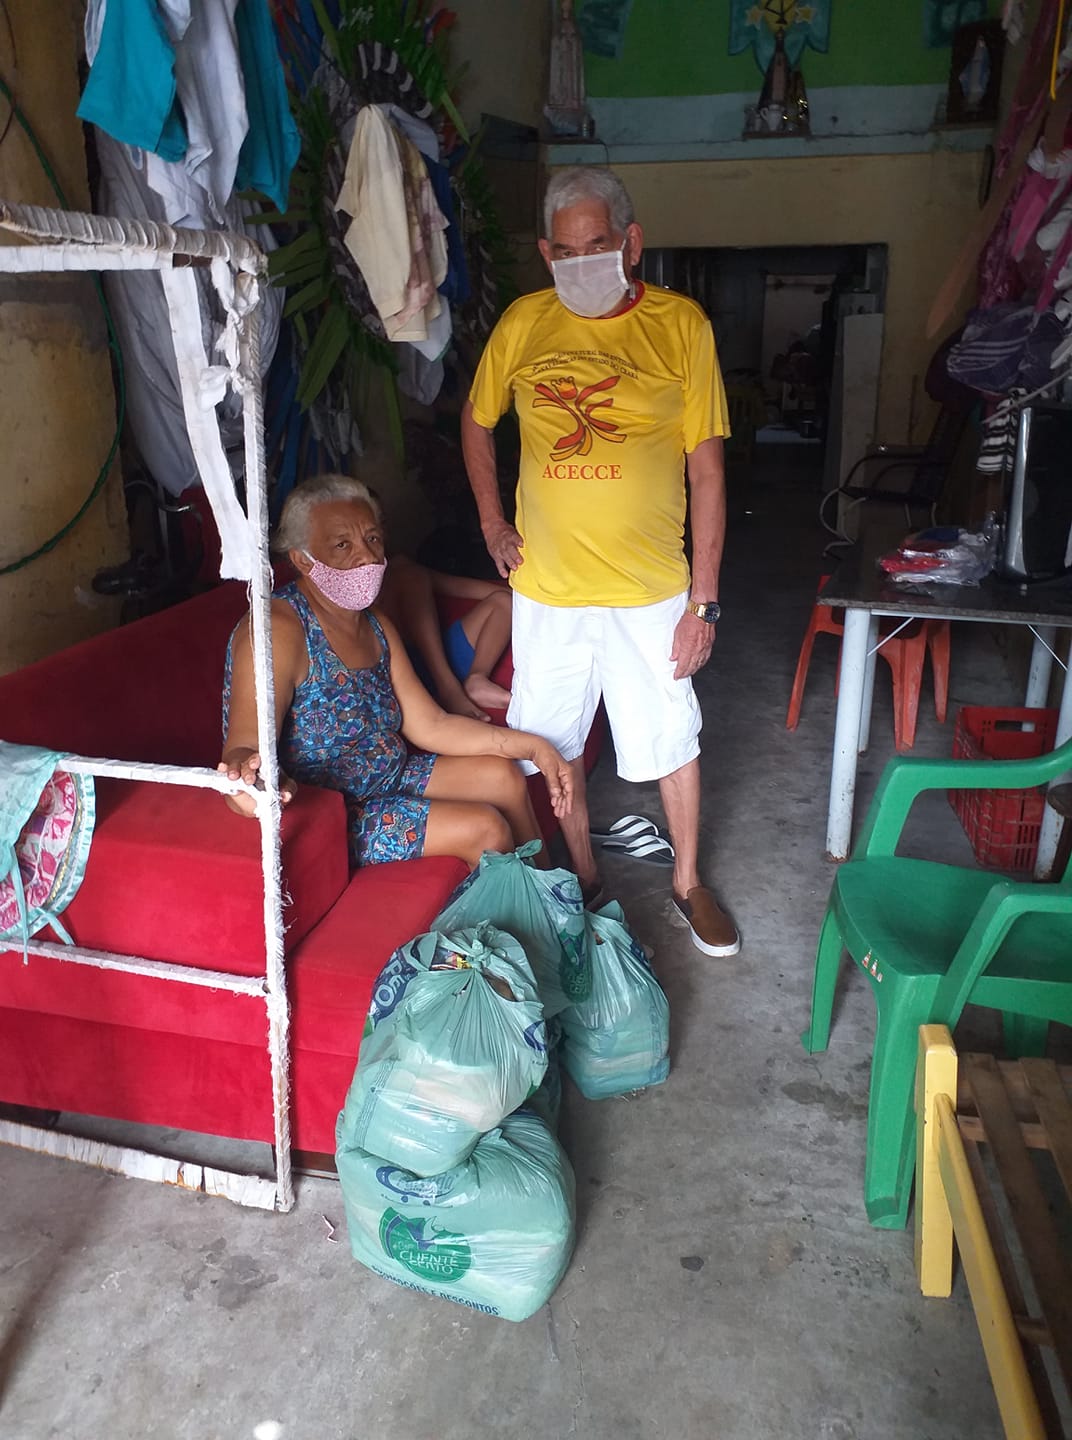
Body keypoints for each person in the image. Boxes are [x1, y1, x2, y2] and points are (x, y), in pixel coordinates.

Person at [461, 165, 739, 956]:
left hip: (651, 592)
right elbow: (476, 423)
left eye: (597, 245)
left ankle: (687, 882)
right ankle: (584, 876)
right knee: (551, 746)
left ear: (631, 243)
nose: (581, 262)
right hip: (548, 593)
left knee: (672, 739)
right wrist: (492, 521)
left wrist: (704, 602)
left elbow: (708, 473)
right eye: (566, 251)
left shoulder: (681, 326)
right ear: (546, 253)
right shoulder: (524, 323)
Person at [219, 474, 572, 870]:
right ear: (302, 559)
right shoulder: (277, 629)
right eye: (342, 545)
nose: (367, 557)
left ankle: (551, 897)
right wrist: (249, 775)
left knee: (502, 775)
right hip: (337, 809)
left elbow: (432, 725)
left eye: (372, 538)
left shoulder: (375, 624)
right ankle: (524, 906)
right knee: (485, 828)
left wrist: (533, 747)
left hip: (391, 775)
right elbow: (243, 745)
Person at [378, 554, 513, 722]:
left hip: (441, 657)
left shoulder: (399, 567)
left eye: (372, 540)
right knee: (408, 575)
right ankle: (449, 689)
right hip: (402, 674)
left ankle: (477, 678)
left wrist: (524, 598)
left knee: (503, 601)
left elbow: (459, 586)